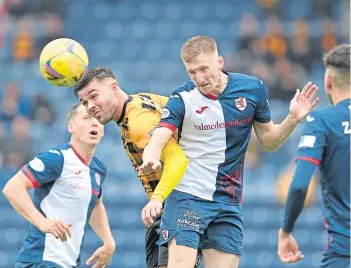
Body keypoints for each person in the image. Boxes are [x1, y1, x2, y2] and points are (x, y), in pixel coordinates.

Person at [139, 35, 319, 268]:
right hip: (187, 197)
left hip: (227, 201)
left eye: (204, 69)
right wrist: (151, 156)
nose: (200, 78)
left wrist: (293, 119)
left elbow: (269, 141)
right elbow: (160, 136)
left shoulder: (252, 89)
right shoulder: (182, 97)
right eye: (192, 72)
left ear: (220, 62)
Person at [73, 67, 202, 268]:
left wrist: (157, 199)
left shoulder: (139, 121)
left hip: (180, 204)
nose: (90, 106)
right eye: (85, 102)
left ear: (113, 87)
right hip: (172, 206)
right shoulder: (142, 100)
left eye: (94, 96)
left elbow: (178, 159)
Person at [3, 103, 115, 268]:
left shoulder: (98, 169)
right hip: (41, 260)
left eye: (98, 118)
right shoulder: (57, 158)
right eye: (86, 117)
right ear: (71, 127)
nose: (94, 123)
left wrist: (108, 241)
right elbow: (12, 188)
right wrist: (42, 222)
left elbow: (96, 203)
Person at [278, 44, 350, 267]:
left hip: (344, 251)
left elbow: (300, 185)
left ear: (328, 81)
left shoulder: (321, 122)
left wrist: (286, 231)